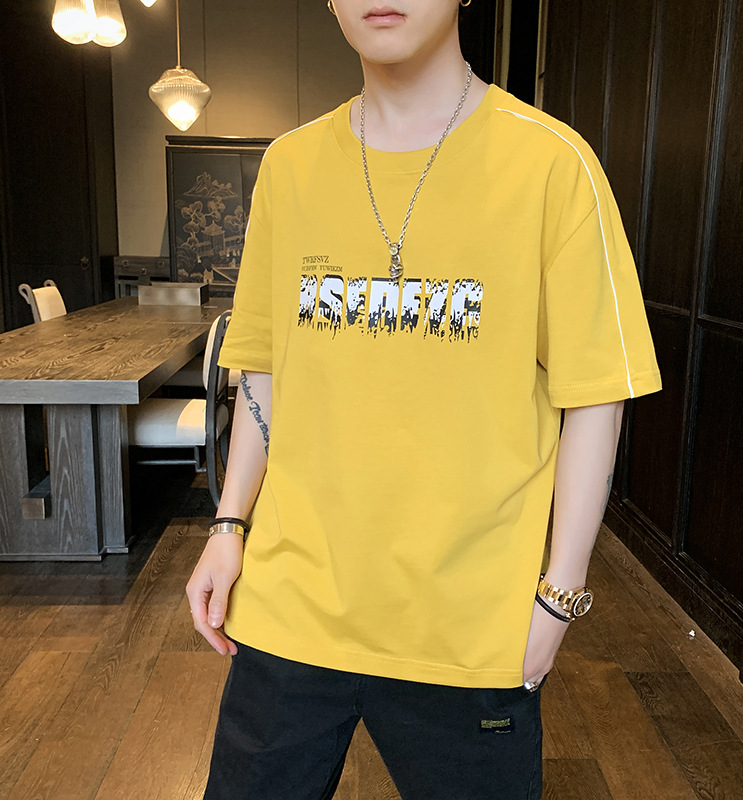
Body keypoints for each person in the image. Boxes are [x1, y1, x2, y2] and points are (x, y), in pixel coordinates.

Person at [186, 1, 662, 798]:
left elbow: (595, 395)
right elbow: (263, 370)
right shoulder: (290, 167)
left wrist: (558, 596)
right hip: (289, 607)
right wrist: (230, 523)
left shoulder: (552, 165)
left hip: (470, 627)